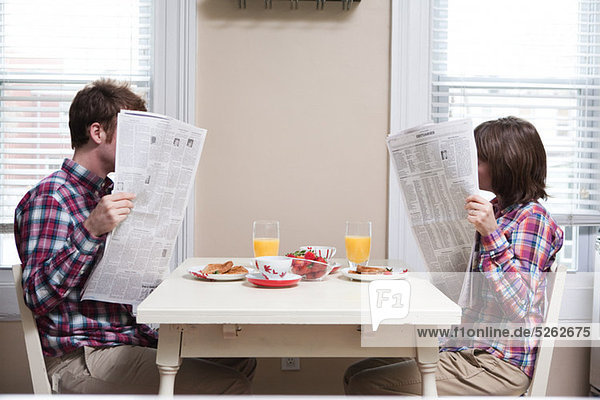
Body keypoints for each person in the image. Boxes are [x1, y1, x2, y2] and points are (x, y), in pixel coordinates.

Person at [14, 79, 256, 394]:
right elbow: (36, 296)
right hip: (83, 356)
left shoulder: (112, 195)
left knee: (240, 359)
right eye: (133, 134)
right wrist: (90, 230)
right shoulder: (51, 197)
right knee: (230, 385)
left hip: (128, 338)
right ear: (97, 132)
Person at [344, 116, 564, 396]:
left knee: (367, 383)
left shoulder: (532, 219)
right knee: (355, 373)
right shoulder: (496, 211)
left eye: (480, 159)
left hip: (497, 364)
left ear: (506, 165)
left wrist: (491, 234)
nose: (473, 165)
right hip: (466, 349)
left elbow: (519, 306)